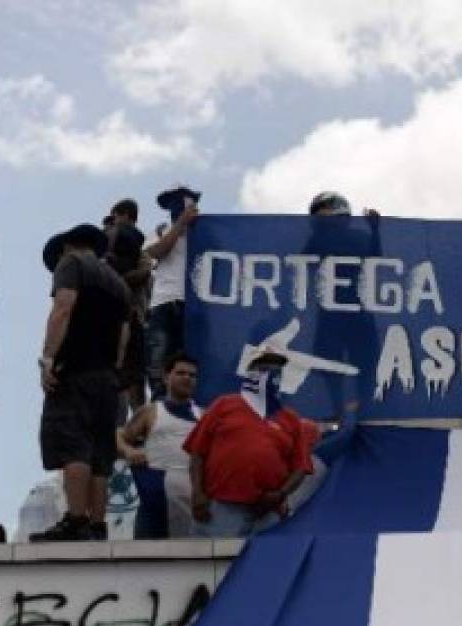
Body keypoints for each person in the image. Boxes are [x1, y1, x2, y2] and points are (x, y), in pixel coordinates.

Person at [34, 223, 130, 541]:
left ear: (66, 246)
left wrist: (48, 358)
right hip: (107, 378)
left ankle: (75, 519)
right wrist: (114, 370)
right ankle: (98, 524)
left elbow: (63, 308)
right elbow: (124, 335)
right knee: (100, 455)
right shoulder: (119, 283)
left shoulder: (71, 264)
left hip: (75, 371)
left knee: (73, 445)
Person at [184, 344, 314, 538]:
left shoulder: (290, 418)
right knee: (215, 567)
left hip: (267, 514)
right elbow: (197, 452)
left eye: (276, 369)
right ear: (250, 373)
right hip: (221, 508)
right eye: (263, 368)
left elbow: (301, 467)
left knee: (266, 567)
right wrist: (197, 494)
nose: (271, 373)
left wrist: (280, 494)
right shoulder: (224, 404)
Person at [116, 352, 202, 538]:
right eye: (181, 373)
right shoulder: (151, 411)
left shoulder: (204, 416)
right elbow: (118, 437)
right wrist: (129, 451)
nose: (187, 378)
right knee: (146, 561)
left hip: (191, 502)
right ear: (166, 377)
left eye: (192, 375)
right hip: (155, 500)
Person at [144, 184, 200, 399]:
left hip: (195, 306)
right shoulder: (160, 230)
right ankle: (159, 411)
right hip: (164, 303)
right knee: (159, 364)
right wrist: (181, 224)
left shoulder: (207, 232)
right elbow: (157, 252)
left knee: (191, 366)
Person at [105, 222, 150, 418]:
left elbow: (142, 275)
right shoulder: (102, 263)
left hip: (133, 321)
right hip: (110, 325)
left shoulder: (139, 259)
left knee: (133, 380)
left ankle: (138, 428)